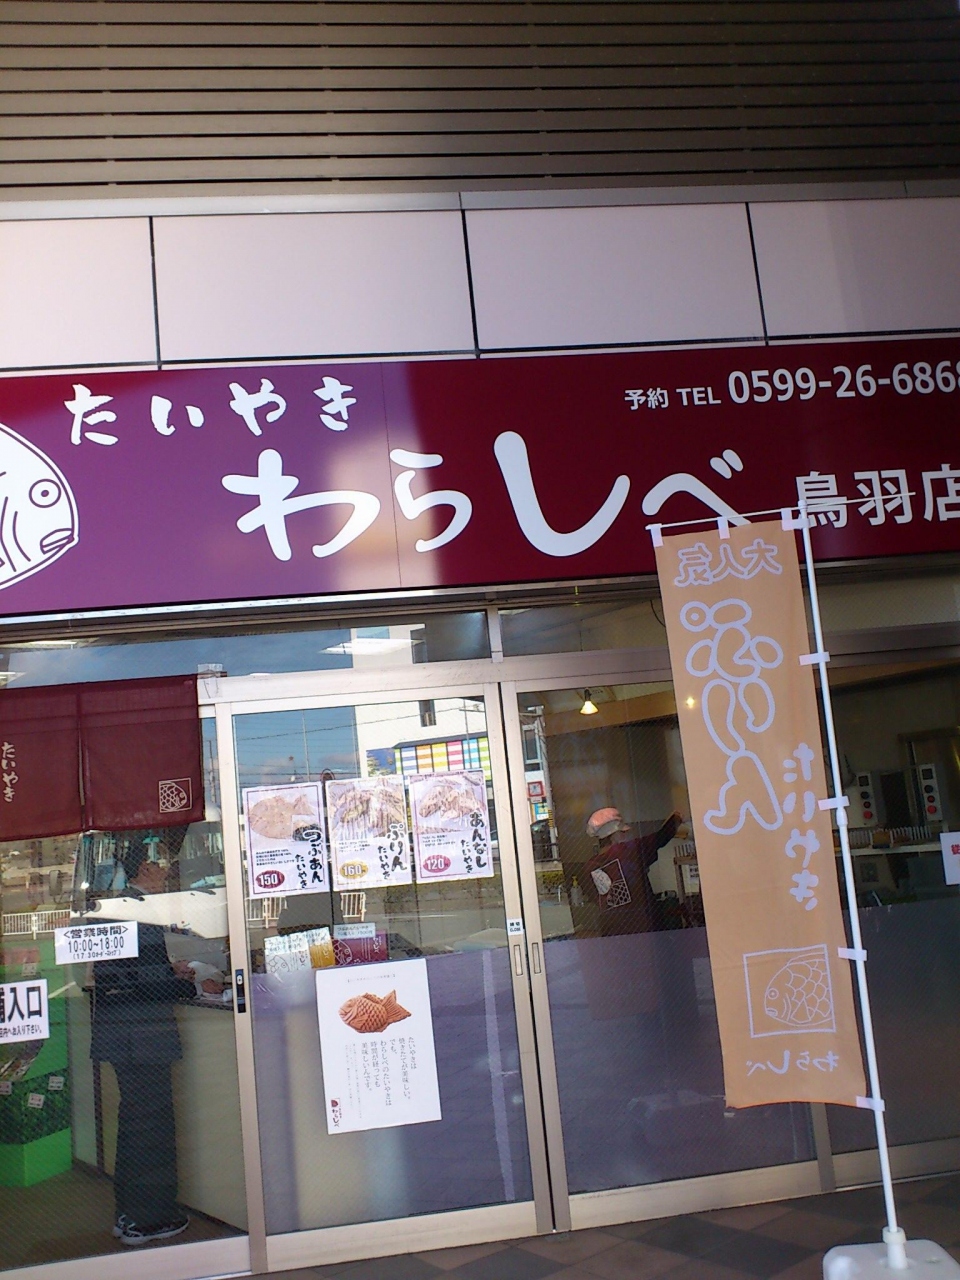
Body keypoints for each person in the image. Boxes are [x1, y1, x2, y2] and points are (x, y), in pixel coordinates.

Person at [90, 841, 221, 1247]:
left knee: (135, 1125)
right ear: (145, 868)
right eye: (161, 863)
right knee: (151, 1127)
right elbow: (143, 984)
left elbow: (122, 972)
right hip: (141, 1035)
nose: (167, 871)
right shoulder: (140, 911)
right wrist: (187, 983)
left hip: (120, 1033)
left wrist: (167, 970)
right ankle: (147, 1220)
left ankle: (128, 1214)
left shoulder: (117, 906)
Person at [583, 806, 682, 935]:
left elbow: (595, 898)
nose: (626, 836)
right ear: (614, 835)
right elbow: (662, 836)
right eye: (623, 832)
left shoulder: (590, 867)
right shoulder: (629, 851)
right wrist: (678, 816)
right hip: (643, 929)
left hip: (613, 932)